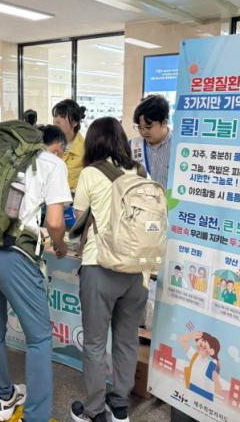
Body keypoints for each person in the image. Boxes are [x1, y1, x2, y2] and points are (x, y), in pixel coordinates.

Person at [0, 127, 71, 422]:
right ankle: (35, 417)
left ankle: (4, 396)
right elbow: (55, 221)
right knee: (39, 339)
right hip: (15, 255)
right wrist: (59, 244)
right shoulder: (52, 163)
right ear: (57, 147)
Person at [71, 117, 148, 422]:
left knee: (94, 342)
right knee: (127, 340)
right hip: (136, 271)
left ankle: (93, 410)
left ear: (93, 142)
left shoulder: (90, 173)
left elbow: (79, 219)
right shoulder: (139, 171)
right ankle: (120, 407)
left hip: (99, 266)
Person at [130, 94, 172, 189]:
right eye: (140, 127)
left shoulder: (177, 147)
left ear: (164, 123)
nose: (143, 132)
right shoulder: (133, 146)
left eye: (148, 127)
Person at [53, 99, 87, 191]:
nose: (56, 120)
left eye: (62, 116)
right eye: (55, 116)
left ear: (75, 122)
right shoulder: (48, 144)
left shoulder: (84, 149)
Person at [179, 331, 223, 402]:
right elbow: (182, 339)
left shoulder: (212, 365)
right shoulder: (194, 356)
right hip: (190, 390)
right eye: (200, 344)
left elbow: (218, 390)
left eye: (205, 347)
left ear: (212, 351)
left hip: (205, 397)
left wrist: (216, 380)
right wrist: (191, 336)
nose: (201, 348)